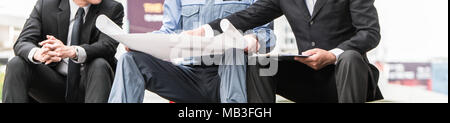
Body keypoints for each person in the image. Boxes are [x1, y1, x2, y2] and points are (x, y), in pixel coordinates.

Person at [185, 0, 384, 103]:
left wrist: (332, 55)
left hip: (349, 78)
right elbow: (247, 16)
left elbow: (370, 33)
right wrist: (205, 30)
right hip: (310, 80)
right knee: (260, 62)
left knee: (349, 56)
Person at [108, 0, 275, 103]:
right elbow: (168, 31)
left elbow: (267, 34)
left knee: (233, 50)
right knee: (130, 60)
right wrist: (139, 42)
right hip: (189, 76)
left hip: (230, 75)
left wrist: (253, 39)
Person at [2, 0, 124, 103]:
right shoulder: (47, 4)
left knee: (99, 64)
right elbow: (23, 41)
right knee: (16, 63)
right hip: (53, 84)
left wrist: (72, 51)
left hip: (90, 86)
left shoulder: (112, 9)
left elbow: (107, 46)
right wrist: (39, 54)